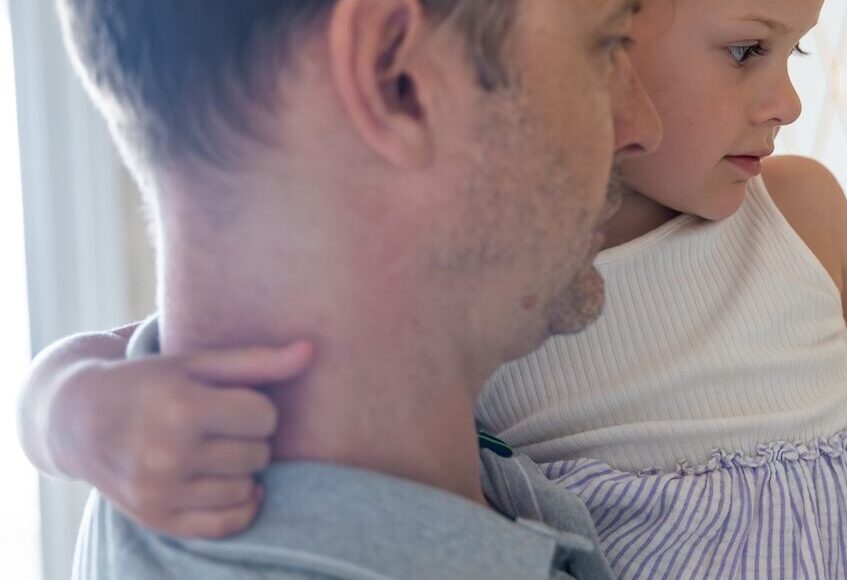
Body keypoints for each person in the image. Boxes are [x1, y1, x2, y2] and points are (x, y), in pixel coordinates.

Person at [22, 0, 847, 577]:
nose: (789, 96)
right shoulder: (483, 341)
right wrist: (69, 415)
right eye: (600, 42)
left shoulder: (775, 221)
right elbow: (129, 370)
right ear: (397, 78)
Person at [34, 0, 661, 576]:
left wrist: (61, 409)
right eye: (607, 44)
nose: (644, 127)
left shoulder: (130, 432)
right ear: (396, 80)